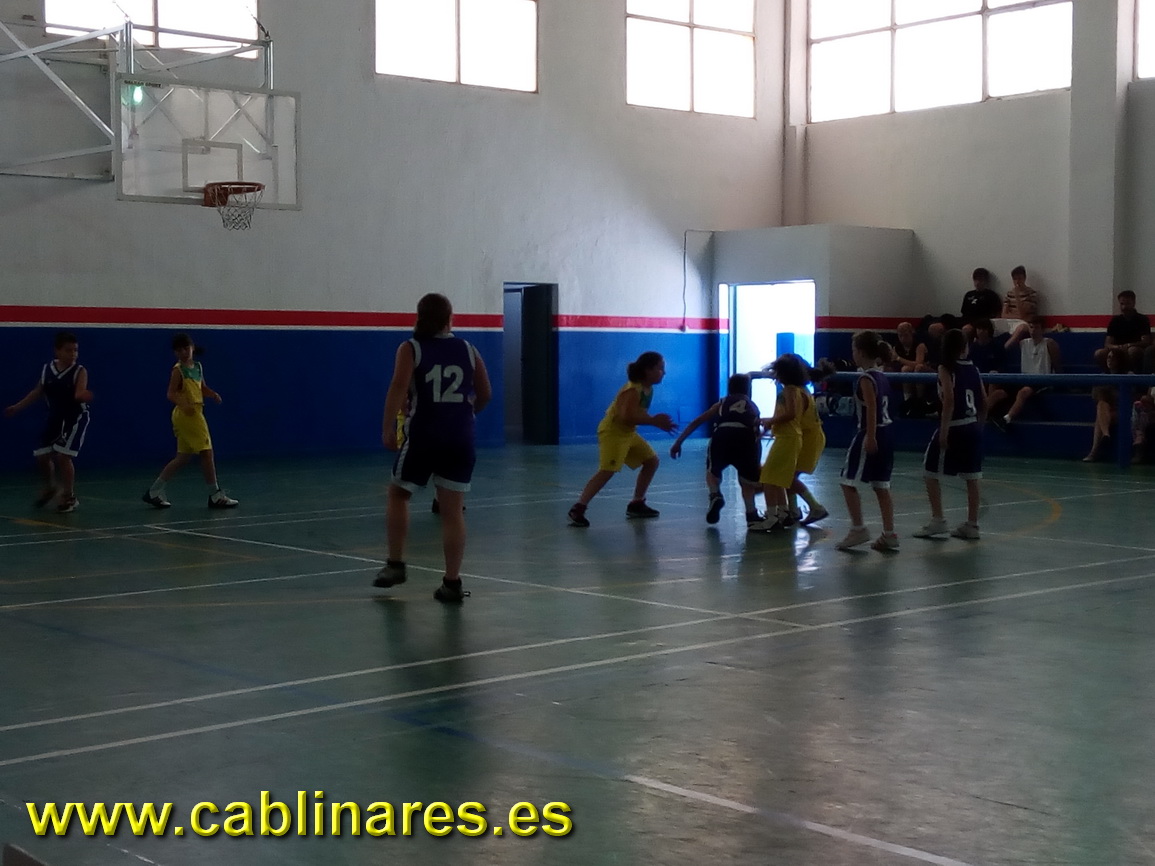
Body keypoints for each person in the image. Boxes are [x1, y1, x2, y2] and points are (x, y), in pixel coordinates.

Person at [374, 294, 491, 603]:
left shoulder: (411, 348)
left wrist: (388, 428)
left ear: (420, 317)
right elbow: (485, 393)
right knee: (452, 511)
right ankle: (452, 582)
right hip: (460, 438)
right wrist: (465, 413)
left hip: (425, 435)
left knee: (398, 494)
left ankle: (395, 564)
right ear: (449, 319)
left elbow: (398, 387)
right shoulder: (468, 349)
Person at [568, 352, 676, 527]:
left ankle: (637, 503)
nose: (664, 372)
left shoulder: (648, 389)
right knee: (607, 470)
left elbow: (638, 414)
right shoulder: (633, 389)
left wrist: (656, 422)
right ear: (648, 370)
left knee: (651, 461)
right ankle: (578, 508)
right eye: (660, 368)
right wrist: (653, 421)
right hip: (613, 432)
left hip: (628, 433)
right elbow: (626, 416)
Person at [142, 334, 239, 510]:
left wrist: (212, 394)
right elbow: (171, 393)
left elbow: (201, 387)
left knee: (182, 457)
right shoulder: (178, 370)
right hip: (188, 415)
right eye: (179, 350)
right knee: (207, 452)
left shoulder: (198, 367)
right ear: (175, 353)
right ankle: (215, 495)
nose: (184, 352)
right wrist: (184, 405)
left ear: (192, 347)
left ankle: (154, 491)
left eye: (186, 348)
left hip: (195, 412)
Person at [3, 331, 92, 513]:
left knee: (63, 456)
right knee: (42, 456)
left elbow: (79, 392)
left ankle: (69, 496)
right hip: (56, 417)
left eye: (75, 350)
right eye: (68, 350)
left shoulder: (80, 371)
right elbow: (37, 392)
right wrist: (17, 407)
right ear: (57, 351)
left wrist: (83, 395)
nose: (73, 354)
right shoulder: (47, 370)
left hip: (75, 418)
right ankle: (50, 487)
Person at [913, 329, 985, 540]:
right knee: (972, 477)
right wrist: (980, 426)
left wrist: (944, 431)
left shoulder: (945, 368)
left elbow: (950, 400)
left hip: (955, 425)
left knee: (930, 471)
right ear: (963, 347)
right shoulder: (974, 369)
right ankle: (972, 524)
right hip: (972, 426)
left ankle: (938, 520)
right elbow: (983, 400)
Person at [669, 373, 762, 527]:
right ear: (748, 389)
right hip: (746, 438)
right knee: (747, 481)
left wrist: (679, 442)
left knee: (713, 472)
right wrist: (756, 456)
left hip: (723, 435)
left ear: (729, 388)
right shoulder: (752, 405)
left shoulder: (722, 403)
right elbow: (756, 431)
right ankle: (751, 514)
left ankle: (715, 494)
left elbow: (697, 421)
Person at [836, 332, 898, 551]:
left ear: (861, 352)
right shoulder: (882, 375)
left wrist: (870, 437)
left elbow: (871, 408)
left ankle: (858, 528)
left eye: (854, 349)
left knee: (847, 481)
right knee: (881, 485)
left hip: (871, 431)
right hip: (887, 433)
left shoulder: (866, 378)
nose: (852, 353)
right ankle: (889, 533)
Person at [753, 355, 808, 532]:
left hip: (788, 438)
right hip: (789, 437)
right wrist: (768, 427)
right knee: (778, 479)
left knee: (768, 477)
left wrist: (770, 420)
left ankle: (772, 517)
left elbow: (790, 414)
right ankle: (783, 512)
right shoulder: (793, 390)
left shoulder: (790, 391)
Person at [789, 358, 836, 527]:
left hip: (809, 439)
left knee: (788, 476)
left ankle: (815, 507)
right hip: (811, 436)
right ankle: (793, 510)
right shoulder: (801, 390)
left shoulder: (796, 393)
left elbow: (792, 418)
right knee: (789, 475)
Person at [994, 315, 1061, 429]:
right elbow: (1006, 347)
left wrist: (1058, 383)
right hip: (1025, 378)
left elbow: (1057, 365)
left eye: (1036, 327)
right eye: (1031, 327)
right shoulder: (1023, 343)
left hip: (1042, 380)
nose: (1033, 330)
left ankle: (1006, 419)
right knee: (998, 392)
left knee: (1024, 392)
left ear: (1042, 329)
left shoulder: (1049, 343)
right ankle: (981, 416)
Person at [1084, 348, 1130, 462]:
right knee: (1101, 405)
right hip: (1108, 410)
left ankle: (1094, 452)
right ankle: (1105, 435)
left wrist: (1111, 393)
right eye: (1108, 357)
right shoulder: (1102, 376)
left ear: (1119, 360)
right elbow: (1096, 396)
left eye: (1113, 358)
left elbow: (1130, 396)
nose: (1110, 360)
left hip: (1124, 409)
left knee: (1100, 418)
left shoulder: (1129, 375)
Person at [1095, 290, 1151, 372]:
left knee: (1132, 351)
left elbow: (1146, 341)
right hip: (1118, 349)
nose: (1124, 307)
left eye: (1127, 304)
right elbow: (1107, 343)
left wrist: (1129, 345)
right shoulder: (1115, 321)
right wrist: (1117, 347)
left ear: (1134, 303)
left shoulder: (1142, 319)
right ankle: (1109, 376)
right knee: (1099, 353)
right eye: (1122, 304)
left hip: (1136, 348)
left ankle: (1135, 374)